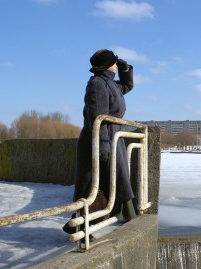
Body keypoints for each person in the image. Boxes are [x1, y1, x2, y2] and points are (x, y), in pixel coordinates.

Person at [63, 49, 136, 237]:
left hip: (112, 139)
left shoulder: (109, 83)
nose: (117, 63)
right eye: (116, 61)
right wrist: (102, 149)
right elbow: (98, 118)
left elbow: (127, 86)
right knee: (94, 186)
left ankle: (85, 224)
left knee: (113, 181)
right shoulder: (97, 84)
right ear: (109, 64)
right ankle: (81, 226)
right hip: (99, 141)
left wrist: (125, 69)